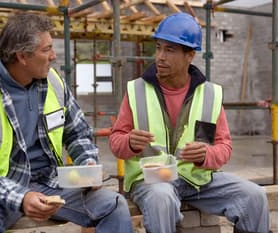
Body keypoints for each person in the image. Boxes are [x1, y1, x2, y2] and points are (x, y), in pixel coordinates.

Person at [0, 13, 134, 233]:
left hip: (50, 183)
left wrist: (87, 163)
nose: (54, 56)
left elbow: (78, 134)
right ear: (22, 56)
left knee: (113, 205)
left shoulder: (55, 83)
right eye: (46, 49)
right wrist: (22, 197)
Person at [109, 12, 270, 233]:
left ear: (190, 55)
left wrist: (206, 155)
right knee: (161, 199)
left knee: (255, 196)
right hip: (151, 181)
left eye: (170, 50)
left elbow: (224, 147)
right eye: (158, 47)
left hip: (198, 181)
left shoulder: (210, 95)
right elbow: (116, 142)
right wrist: (129, 142)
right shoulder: (136, 90)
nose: (160, 57)